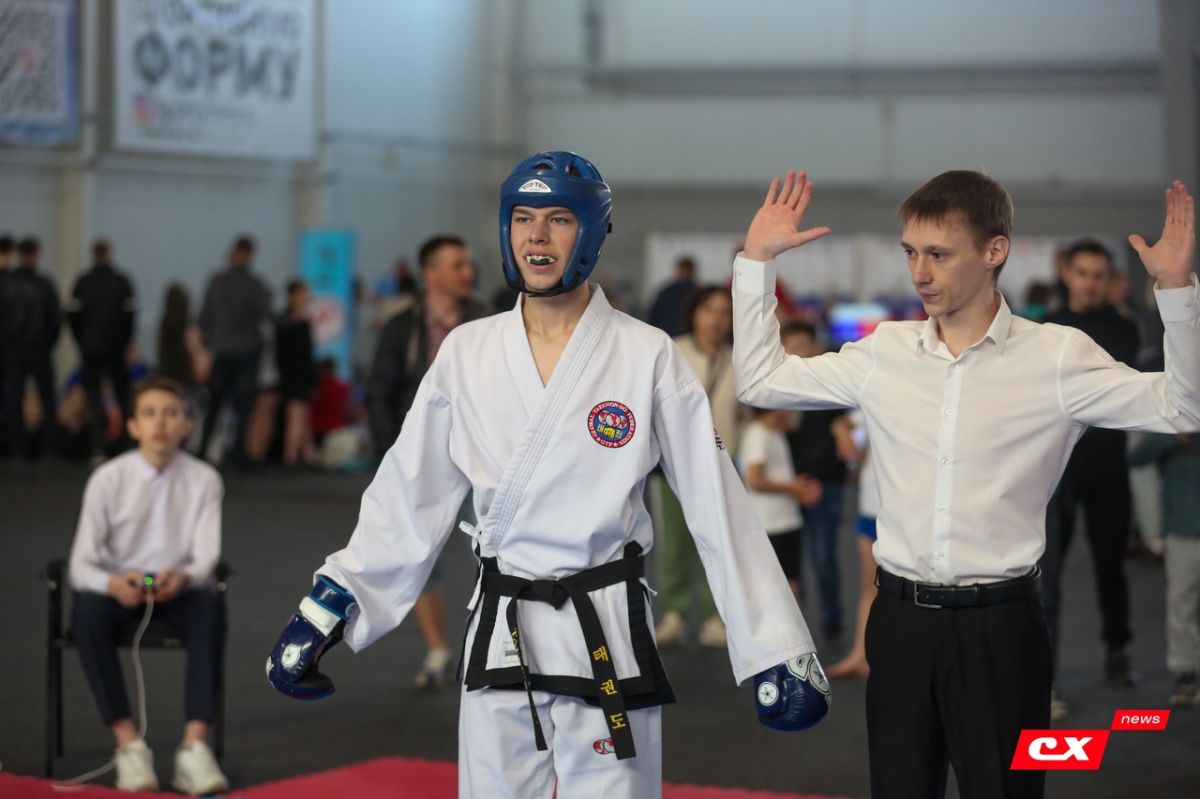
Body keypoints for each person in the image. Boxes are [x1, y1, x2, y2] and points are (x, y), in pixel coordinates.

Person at [268, 151, 830, 798]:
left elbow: (715, 498)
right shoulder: (468, 351)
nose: (536, 235)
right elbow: (409, 490)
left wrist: (774, 645)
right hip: (502, 626)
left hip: (605, 622)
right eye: (523, 218)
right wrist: (333, 603)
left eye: (558, 219)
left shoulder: (645, 353)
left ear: (590, 232)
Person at [732, 169, 1198, 799]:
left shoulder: (1058, 357)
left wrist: (1176, 290)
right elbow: (759, 381)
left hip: (1002, 632)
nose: (919, 273)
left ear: (994, 250)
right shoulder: (883, 352)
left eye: (939, 254)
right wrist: (757, 261)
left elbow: (1183, 407)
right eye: (910, 253)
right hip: (899, 627)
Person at [67, 376, 228, 794]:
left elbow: (206, 556)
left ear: (185, 425)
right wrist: (111, 583)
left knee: (210, 605)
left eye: (171, 414)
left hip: (177, 587)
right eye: (150, 413)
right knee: (86, 610)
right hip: (122, 588)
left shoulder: (205, 479)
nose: (160, 423)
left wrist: (185, 576)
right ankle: (128, 745)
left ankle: (194, 747)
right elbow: (80, 564)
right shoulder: (107, 479)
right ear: (133, 425)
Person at [366, 234, 488, 687]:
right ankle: (438, 650)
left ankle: (496, 641)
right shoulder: (402, 327)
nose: (468, 273)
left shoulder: (488, 321)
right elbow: (379, 389)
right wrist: (391, 453)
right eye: (457, 265)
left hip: (482, 459)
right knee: (423, 557)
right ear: (430, 273)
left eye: (468, 264)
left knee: (495, 552)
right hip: (422, 460)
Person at [1039, 239, 1143, 716]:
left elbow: (1113, 391)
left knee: (1111, 566)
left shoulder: (1123, 328)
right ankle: (1046, 677)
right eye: (1083, 273)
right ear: (1067, 273)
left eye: (1099, 275)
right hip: (1055, 471)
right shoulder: (1046, 329)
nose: (1090, 283)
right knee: (1046, 577)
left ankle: (1117, 649)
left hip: (1108, 468)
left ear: (1109, 280)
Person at [654, 284, 745, 648]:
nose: (716, 319)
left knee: (718, 544)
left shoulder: (738, 360)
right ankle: (674, 613)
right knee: (673, 544)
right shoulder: (672, 351)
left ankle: (713, 616)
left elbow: (746, 416)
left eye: (724, 312)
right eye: (709, 310)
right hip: (672, 465)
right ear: (693, 313)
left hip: (722, 468)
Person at [781, 320, 851, 641]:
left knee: (824, 558)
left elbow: (843, 425)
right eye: (793, 346)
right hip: (788, 488)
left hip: (826, 485)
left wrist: (844, 435)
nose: (800, 353)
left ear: (817, 348)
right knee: (788, 563)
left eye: (805, 346)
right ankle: (794, 626)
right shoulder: (776, 394)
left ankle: (832, 621)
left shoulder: (829, 389)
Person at [1128, 432, 1200, 707]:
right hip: (1181, 530)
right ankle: (1185, 675)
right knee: (1181, 604)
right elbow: (1136, 458)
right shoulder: (1172, 423)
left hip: (1181, 527)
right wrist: (1172, 438)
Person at [196, 235, 271, 465]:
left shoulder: (217, 282)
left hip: (222, 351)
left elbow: (204, 318)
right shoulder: (255, 284)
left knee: (214, 405)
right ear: (250, 255)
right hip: (247, 351)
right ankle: (239, 454)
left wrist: (210, 344)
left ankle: (203, 450)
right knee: (243, 408)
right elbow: (265, 315)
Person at [739, 407, 821, 599]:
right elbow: (754, 479)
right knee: (772, 592)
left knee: (791, 588)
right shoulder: (757, 434)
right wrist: (793, 488)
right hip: (770, 525)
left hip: (788, 522)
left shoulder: (776, 433)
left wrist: (798, 488)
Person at [68, 239, 137, 463]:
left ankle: (97, 447)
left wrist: (83, 342)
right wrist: (123, 342)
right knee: (122, 397)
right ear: (109, 254)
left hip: (91, 350)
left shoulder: (83, 282)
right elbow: (130, 317)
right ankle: (126, 444)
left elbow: (73, 317)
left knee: (94, 399)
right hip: (115, 349)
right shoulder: (121, 282)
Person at [1, 236, 61, 460]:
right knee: (47, 399)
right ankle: (49, 448)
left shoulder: (6, 283)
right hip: (39, 350)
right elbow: (55, 319)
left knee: (14, 400)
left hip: (13, 351)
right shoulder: (44, 284)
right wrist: (47, 343)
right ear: (36, 254)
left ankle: (18, 449)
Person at [276, 279, 319, 467]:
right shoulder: (286, 323)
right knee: (296, 414)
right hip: (292, 375)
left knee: (303, 414)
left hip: (302, 374)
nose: (306, 296)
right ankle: (291, 454)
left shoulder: (300, 322)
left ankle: (308, 452)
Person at [646, 254, 697, 336]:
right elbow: (653, 317)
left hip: (673, 335)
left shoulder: (698, 294)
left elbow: (652, 318)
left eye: (686, 270)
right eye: (684, 270)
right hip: (673, 335)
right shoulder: (666, 292)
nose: (685, 273)